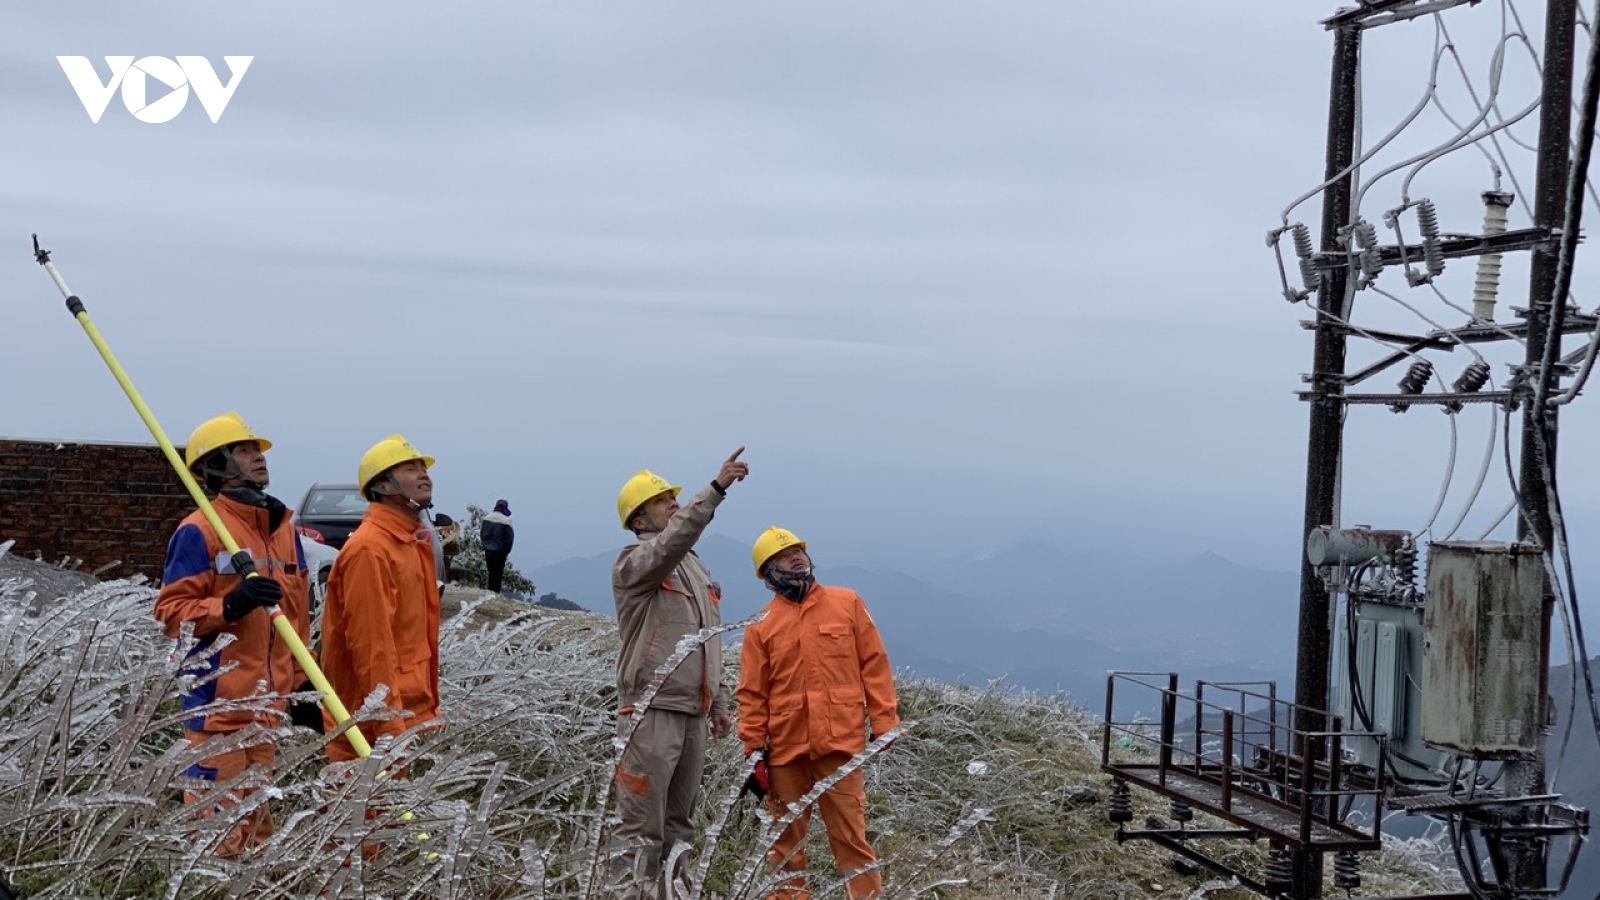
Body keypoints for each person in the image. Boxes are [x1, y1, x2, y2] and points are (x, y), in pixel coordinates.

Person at [154, 412, 315, 857]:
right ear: (216, 466)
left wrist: (301, 686)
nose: (258, 457)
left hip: (268, 709)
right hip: (218, 712)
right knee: (216, 839)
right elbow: (171, 612)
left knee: (259, 833)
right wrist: (228, 606)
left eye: (257, 449)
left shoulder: (284, 529)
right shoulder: (199, 530)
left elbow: (297, 615)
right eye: (244, 450)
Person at [611, 448, 748, 899]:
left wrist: (721, 704)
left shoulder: (695, 568)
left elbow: (709, 637)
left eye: (674, 497)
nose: (673, 503)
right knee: (640, 826)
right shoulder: (634, 563)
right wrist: (716, 490)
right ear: (639, 520)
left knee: (679, 827)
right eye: (662, 500)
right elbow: (674, 540)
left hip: (693, 714)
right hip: (650, 712)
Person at [738, 527, 900, 900]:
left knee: (851, 842)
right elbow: (752, 693)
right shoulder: (760, 626)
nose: (795, 557)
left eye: (798, 550)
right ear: (768, 574)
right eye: (783, 555)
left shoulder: (848, 603)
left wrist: (886, 722)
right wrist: (753, 748)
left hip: (840, 747)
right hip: (784, 753)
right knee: (785, 848)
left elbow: (874, 665)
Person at [319, 435, 443, 763]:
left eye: (422, 467)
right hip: (369, 731)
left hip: (398, 718)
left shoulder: (407, 543)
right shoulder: (370, 549)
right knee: (363, 815)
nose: (423, 474)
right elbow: (372, 646)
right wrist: (389, 726)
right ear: (384, 485)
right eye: (409, 468)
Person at [479, 499, 514, 594]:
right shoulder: (506, 520)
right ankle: (495, 593)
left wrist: (485, 545)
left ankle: (489, 591)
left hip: (488, 550)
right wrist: (506, 551)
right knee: (498, 573)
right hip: (500, 552)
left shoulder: (487, 518)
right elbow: (509, 539)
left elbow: (482, 535)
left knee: (490, 571)